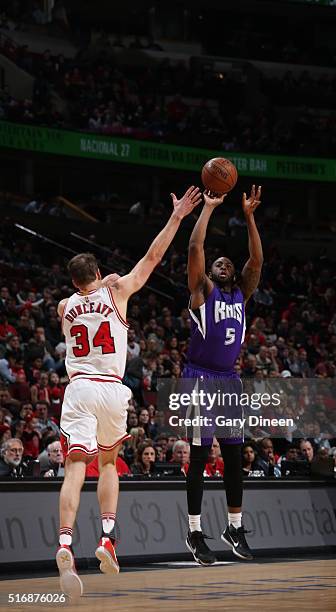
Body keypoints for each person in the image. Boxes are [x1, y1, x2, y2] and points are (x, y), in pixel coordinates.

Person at [55, 186, 201, 600]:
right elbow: (152, 257)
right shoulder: (117, 291)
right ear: (100, 273)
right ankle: (107, 539)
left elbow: (74, 300)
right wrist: (176, 216)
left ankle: (64, 544)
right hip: (112, 391)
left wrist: (94, 284)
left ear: (73, 280)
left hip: (79, 388)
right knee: (107, 465)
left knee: (74, 470)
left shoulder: (64, 306)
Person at [183, 185, 263, 564]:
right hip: (199, 377)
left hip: (229, 380)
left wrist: (249, 217)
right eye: (219, 262)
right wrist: (209, 209)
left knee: (233, 455)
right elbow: (195, 249)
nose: (224, 263)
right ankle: (195, 532)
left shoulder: (241, 296)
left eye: (229, 263)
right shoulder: (203, 294)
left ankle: (233, 526)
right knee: (200, 455)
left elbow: (257, 261)